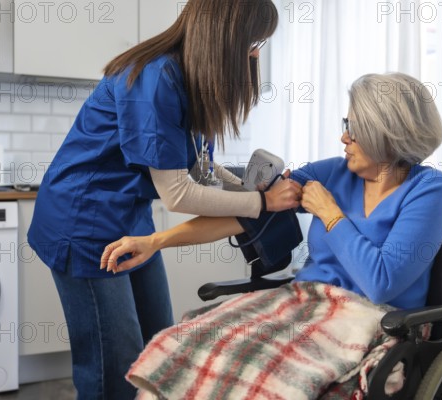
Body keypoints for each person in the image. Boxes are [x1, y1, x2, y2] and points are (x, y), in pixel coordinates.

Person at [100, 73, 442, 399]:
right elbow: (248, 213)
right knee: (189, 341)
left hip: (376, 318)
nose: (344, 137)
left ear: (386, 132)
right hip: (307, 301)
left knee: (263, 375)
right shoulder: (332, 172)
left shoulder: (428, 189)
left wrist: (330, 214)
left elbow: (382, 283)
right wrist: (155, 241)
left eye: (354, 128)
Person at [26, 1, 302, 399]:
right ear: (226, 36)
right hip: (83, 223)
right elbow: (178, 194)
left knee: (159, 345)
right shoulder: (155, 78)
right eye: (253, 41)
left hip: (129, 219)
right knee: (115, 367)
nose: (256, 53)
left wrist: (247, 189)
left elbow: (199, 166)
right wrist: (262, 204)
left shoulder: (192, 79)